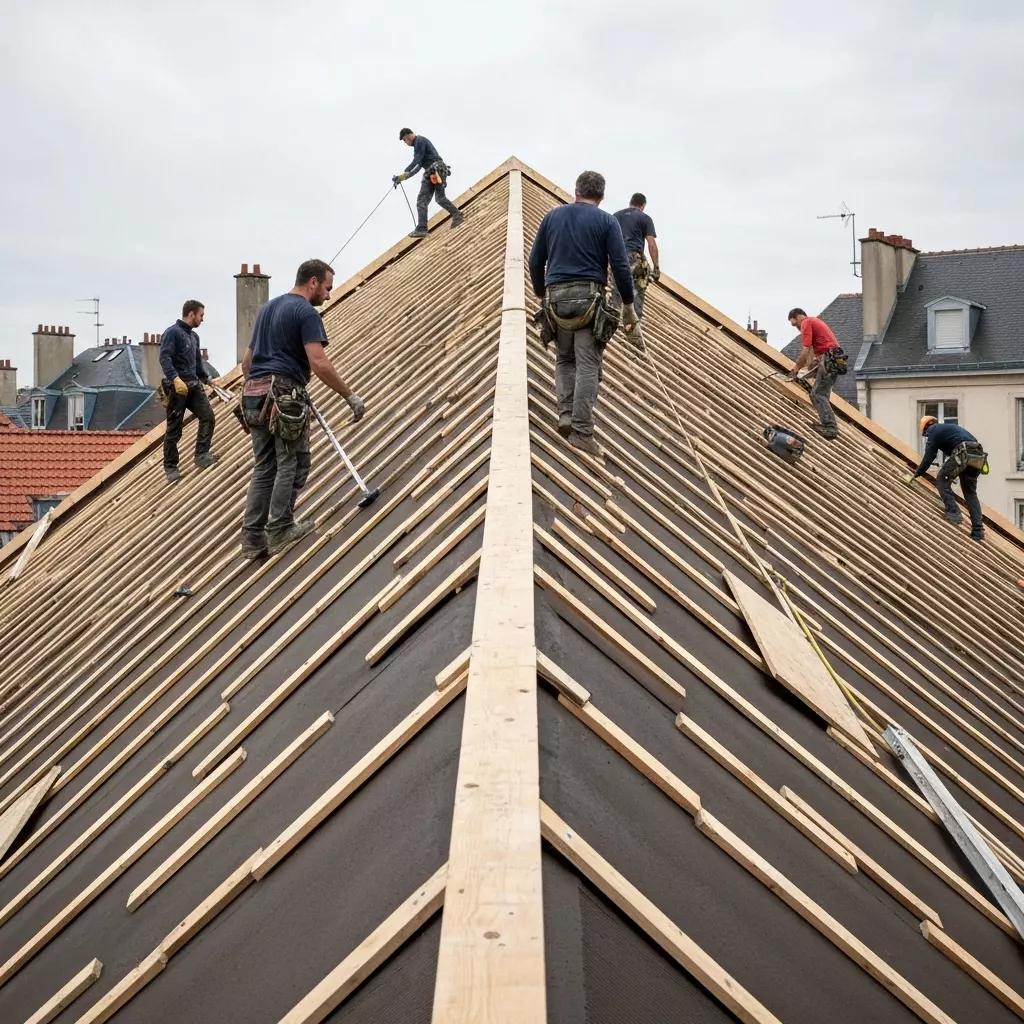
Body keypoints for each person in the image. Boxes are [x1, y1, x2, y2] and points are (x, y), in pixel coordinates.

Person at [239, 259, 365, 559]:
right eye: (327, 287)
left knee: (264, 466)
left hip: (254, 394)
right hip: (283, 394)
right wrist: (349, 396)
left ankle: (253, 538)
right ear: (313, 282)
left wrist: (266, 385)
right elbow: (318, 361)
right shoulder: (305, 312)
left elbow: (246, 364)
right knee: (292, 460)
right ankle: (281, 527)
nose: (329, 295)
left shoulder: (267, 309)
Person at [529, 170, 638, 456]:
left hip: (556, 300)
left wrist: (542, 293)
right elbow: (621, 266)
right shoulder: (606, 221)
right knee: (589, 363)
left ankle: (565, 413)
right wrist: (628, 304)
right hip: (588, 299)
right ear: (601, 196)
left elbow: (535, 260)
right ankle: (581, 430)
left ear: (575, 190)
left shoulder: (552, 216)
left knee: (565, 358)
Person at [903, 416, 986, 541]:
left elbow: (929, 457)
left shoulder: (933, 431)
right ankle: (978, 531)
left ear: (926, 429)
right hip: (977, 457)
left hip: (964, 453)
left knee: (942, 480)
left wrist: (917, 474)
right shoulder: (948, 429)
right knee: (970, 493)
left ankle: (954, 513)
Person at [159, 300, 216, 483]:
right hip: (177, 388)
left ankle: (201, 455)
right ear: (191, 314)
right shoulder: (173, 332)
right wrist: (174, 378)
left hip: (193, 385)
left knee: (208, 416)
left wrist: (206, 378)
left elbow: (197, 363)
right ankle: (171, 467)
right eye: (201, 315)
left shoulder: (193, 337)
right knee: (174, 428)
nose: (202, 319)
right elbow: (165, 357)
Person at [787, 308, 846, 440]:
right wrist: (806, 371)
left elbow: (805, 350)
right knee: (821, 393)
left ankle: (830, 428)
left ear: (797, 317)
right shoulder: (815, 322)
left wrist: (796, 369)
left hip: (829, 359)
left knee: (817, 394)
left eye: (794, 324)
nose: (797, 328)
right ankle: (829, 425)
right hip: (834, 359)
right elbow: (816, 359)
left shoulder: (806, 322)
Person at [392, 128, 463, 238]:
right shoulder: (419, 146)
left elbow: (416, 160)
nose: (406, 143)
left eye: (405, 140)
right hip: (433, 171)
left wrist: (406, 171)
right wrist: (402, 177)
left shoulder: (419, 140)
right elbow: (418, 166)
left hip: (435, 168)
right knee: (430, 199)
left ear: (408, 136)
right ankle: (424, 227)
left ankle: (454, 215)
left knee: (429, 200)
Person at [613, 193, 660, 318]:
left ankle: (613, 317)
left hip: (617, 257)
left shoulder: (616, 216)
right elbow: (651, 245)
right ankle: (634, 322)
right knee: (638, 292)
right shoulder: (645, 218)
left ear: (630, 202)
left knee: (617, 290)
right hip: (635, 258)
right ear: (643, 206)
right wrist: (656, 267)